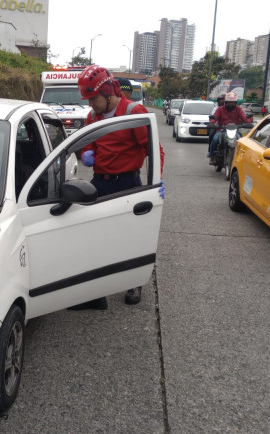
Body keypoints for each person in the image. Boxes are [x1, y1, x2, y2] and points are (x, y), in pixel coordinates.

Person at [69, 64, 165, 309]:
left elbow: (154, 150)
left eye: (93, 98)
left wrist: (157, 181)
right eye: (88, 100)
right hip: (101, 181)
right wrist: (87, 153)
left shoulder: (133, 112)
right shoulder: (93, 117)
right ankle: (95, 291)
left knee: (130, 236)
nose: (91, 104)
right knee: (92, 234)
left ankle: (134, 282)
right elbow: (89, 145)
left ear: (108, 91)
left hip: (127, 182)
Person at [208, 92, 252, 165]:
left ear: (235, 103)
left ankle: (240, 158)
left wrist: (249, 122)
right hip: (222, 130)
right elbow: (215, 117)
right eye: (229, 102)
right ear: (226, 102)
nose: (231, 104)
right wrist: (212, 122)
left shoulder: (238, 109)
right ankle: (211, 156)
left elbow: (244, 117)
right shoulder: (220, 109)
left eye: (233, 102)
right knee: (215, 139)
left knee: (241, 141)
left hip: (235, 131)